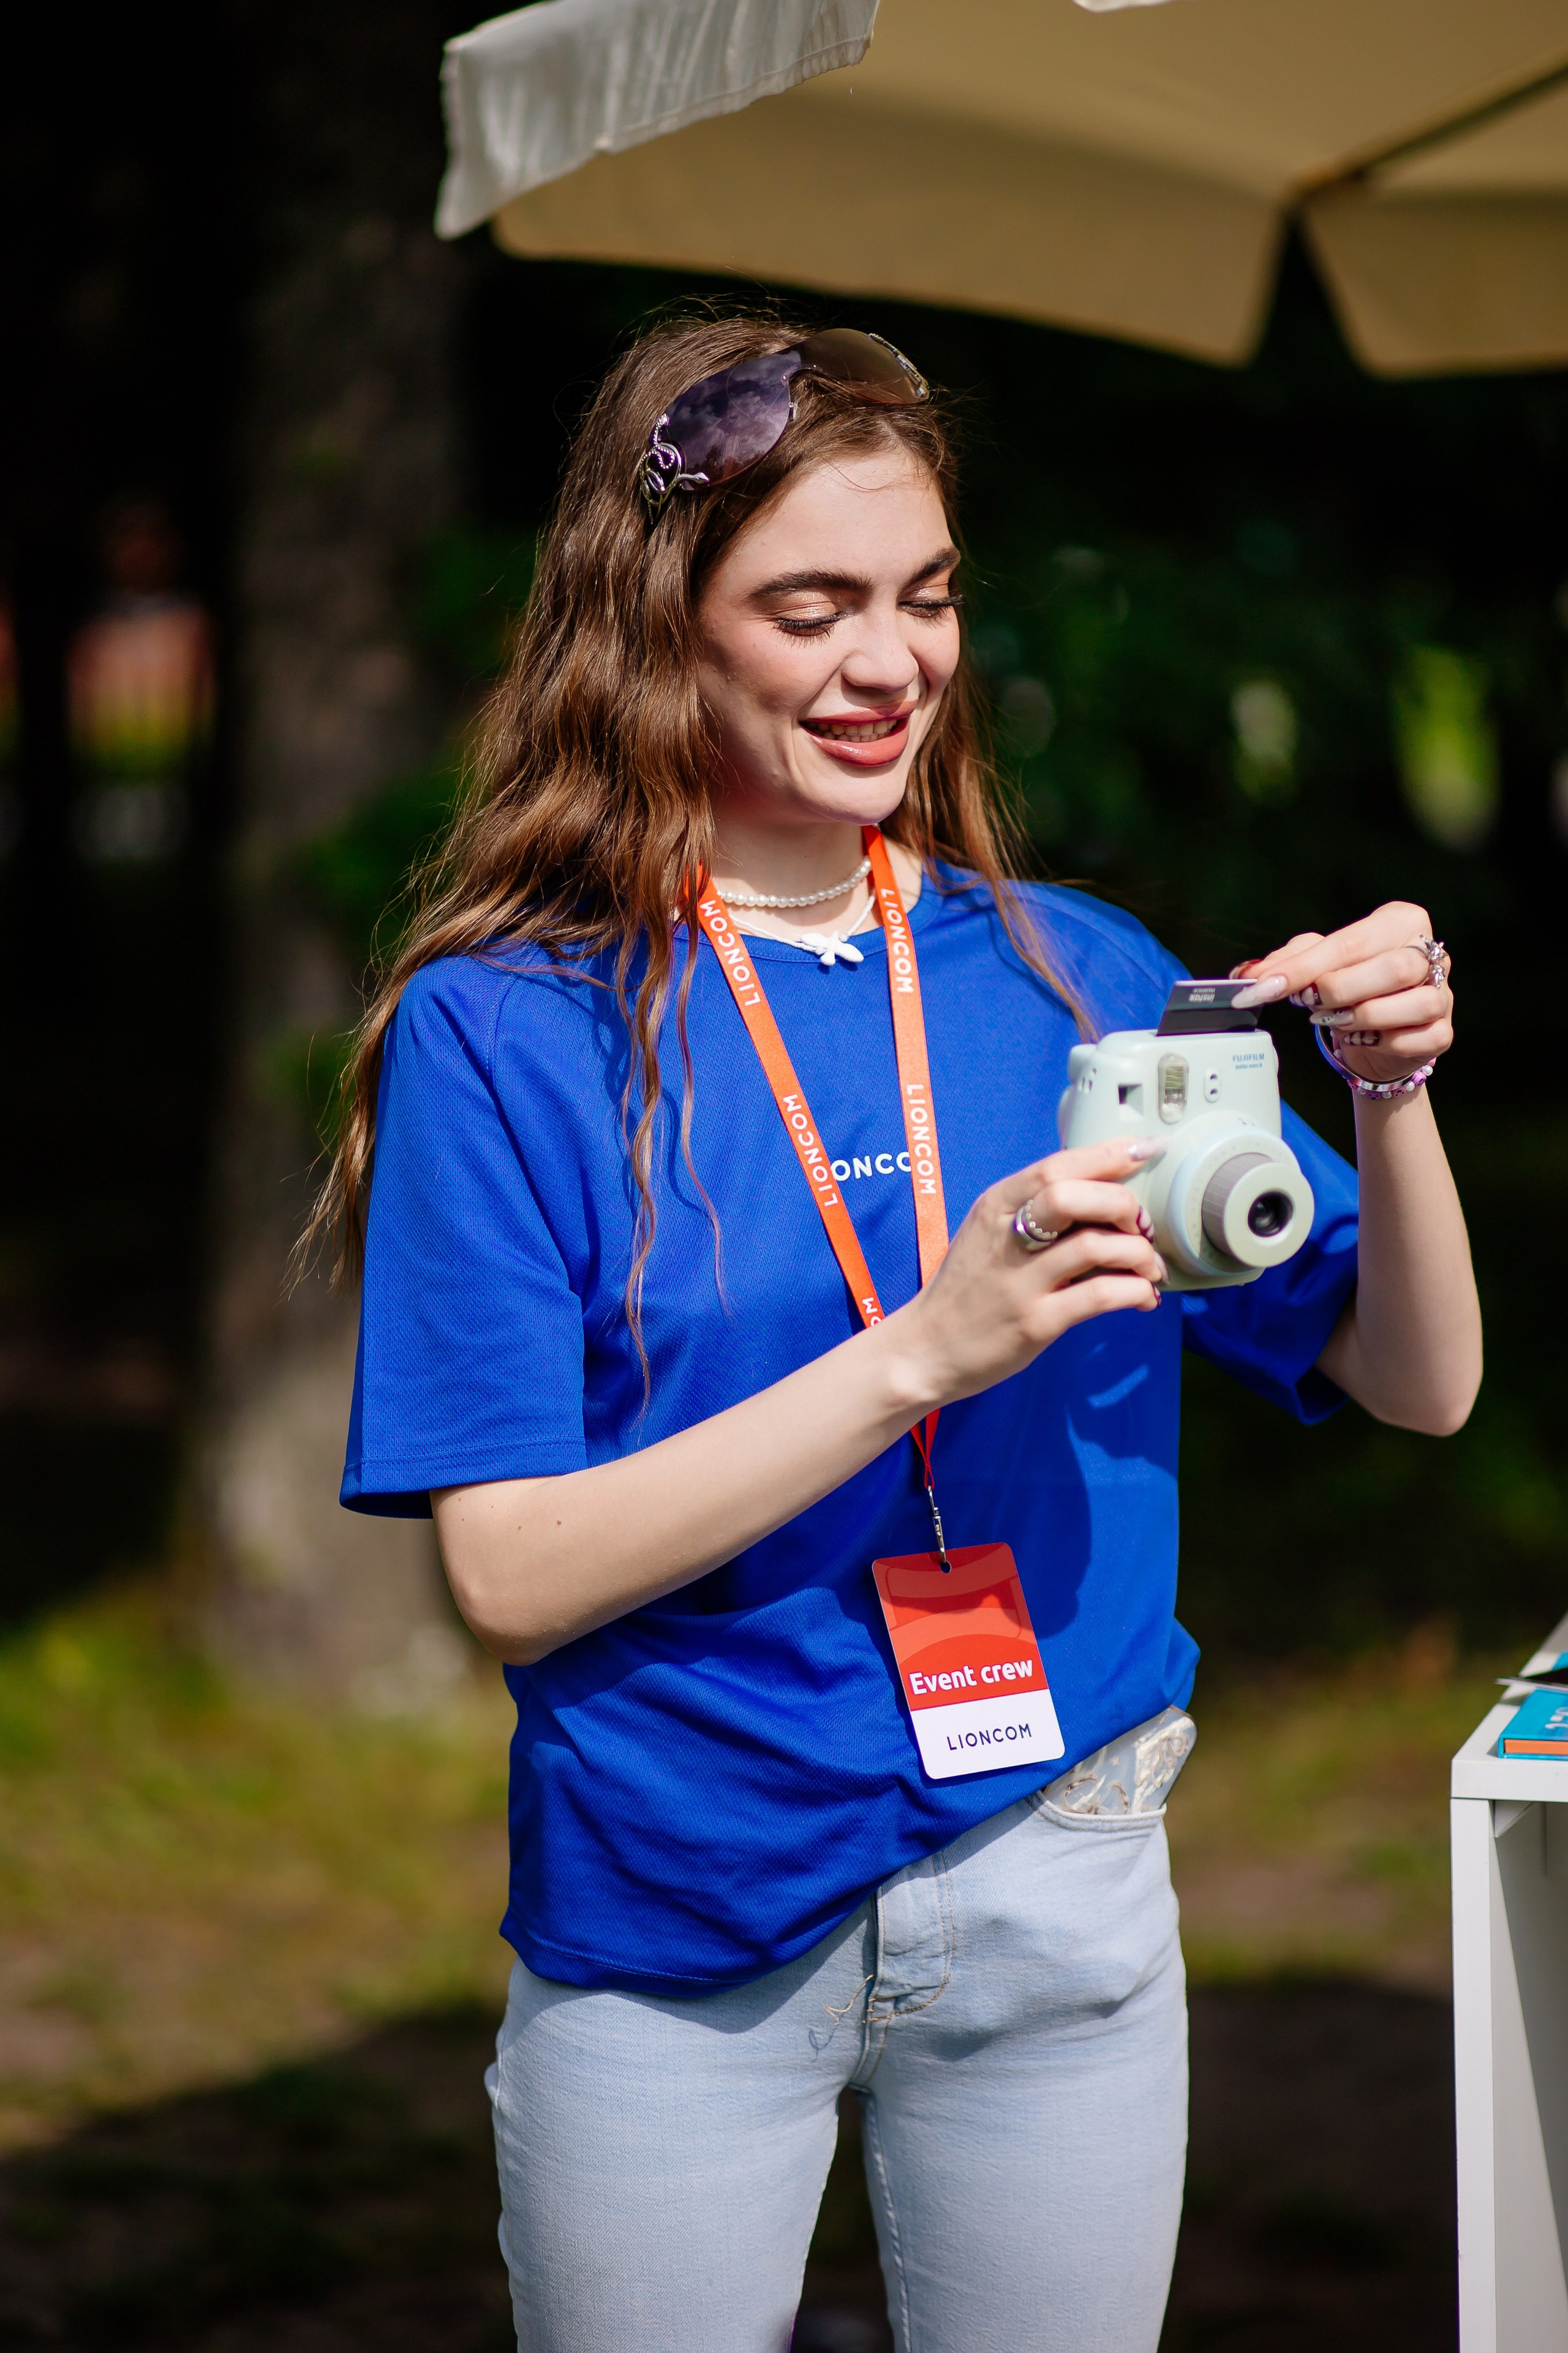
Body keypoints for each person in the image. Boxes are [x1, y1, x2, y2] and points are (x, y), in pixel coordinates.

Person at [323, 317, 1481, 2353]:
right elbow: (507, 1570)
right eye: (812, 602)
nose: (890, 662)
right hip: (679, 1923)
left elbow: (1419, 1376)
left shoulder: (1078, 968)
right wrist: (921, 1355)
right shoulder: (505, 1028)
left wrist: (1392, 1091)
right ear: (655, 613)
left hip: (1064, 1874)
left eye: (927, 595)